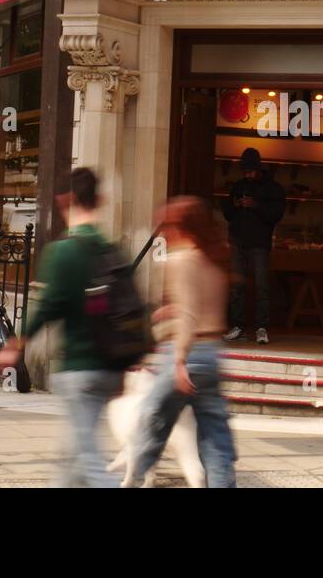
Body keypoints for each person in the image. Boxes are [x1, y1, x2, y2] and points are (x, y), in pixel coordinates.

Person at [0, 167, 122, 488]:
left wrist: (14, 346)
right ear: (101, 200)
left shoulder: (64, 252)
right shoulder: (113, 251)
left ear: (66, 200)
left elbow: (47, 307)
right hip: (111, 365)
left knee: (88, 459)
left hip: (79, 367)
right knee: (74, 457)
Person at [129, 196, 238, 488]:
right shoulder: (214, 260)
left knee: (152, 419)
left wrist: (179, 361)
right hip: (213, 353)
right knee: (215, 435)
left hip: (187, 353)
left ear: (178, 226)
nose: (162, 232)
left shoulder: (179, 260)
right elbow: (200, 306)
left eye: (165, 225)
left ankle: (135, 475)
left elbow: (189, 315)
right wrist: (175, 310)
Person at [222, 147, 286, 344]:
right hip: (238, 242)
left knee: (261, 287)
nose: (247, 174)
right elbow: (227, 214)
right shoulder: (238, 186)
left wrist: (255, 205)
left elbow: (276, 215)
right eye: (244, 171)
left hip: (259, 243)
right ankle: (238, 326)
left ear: (258, 169)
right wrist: (236, 205)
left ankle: (261, 327)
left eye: (250, 171)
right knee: (236, 286)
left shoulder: (273, 188)